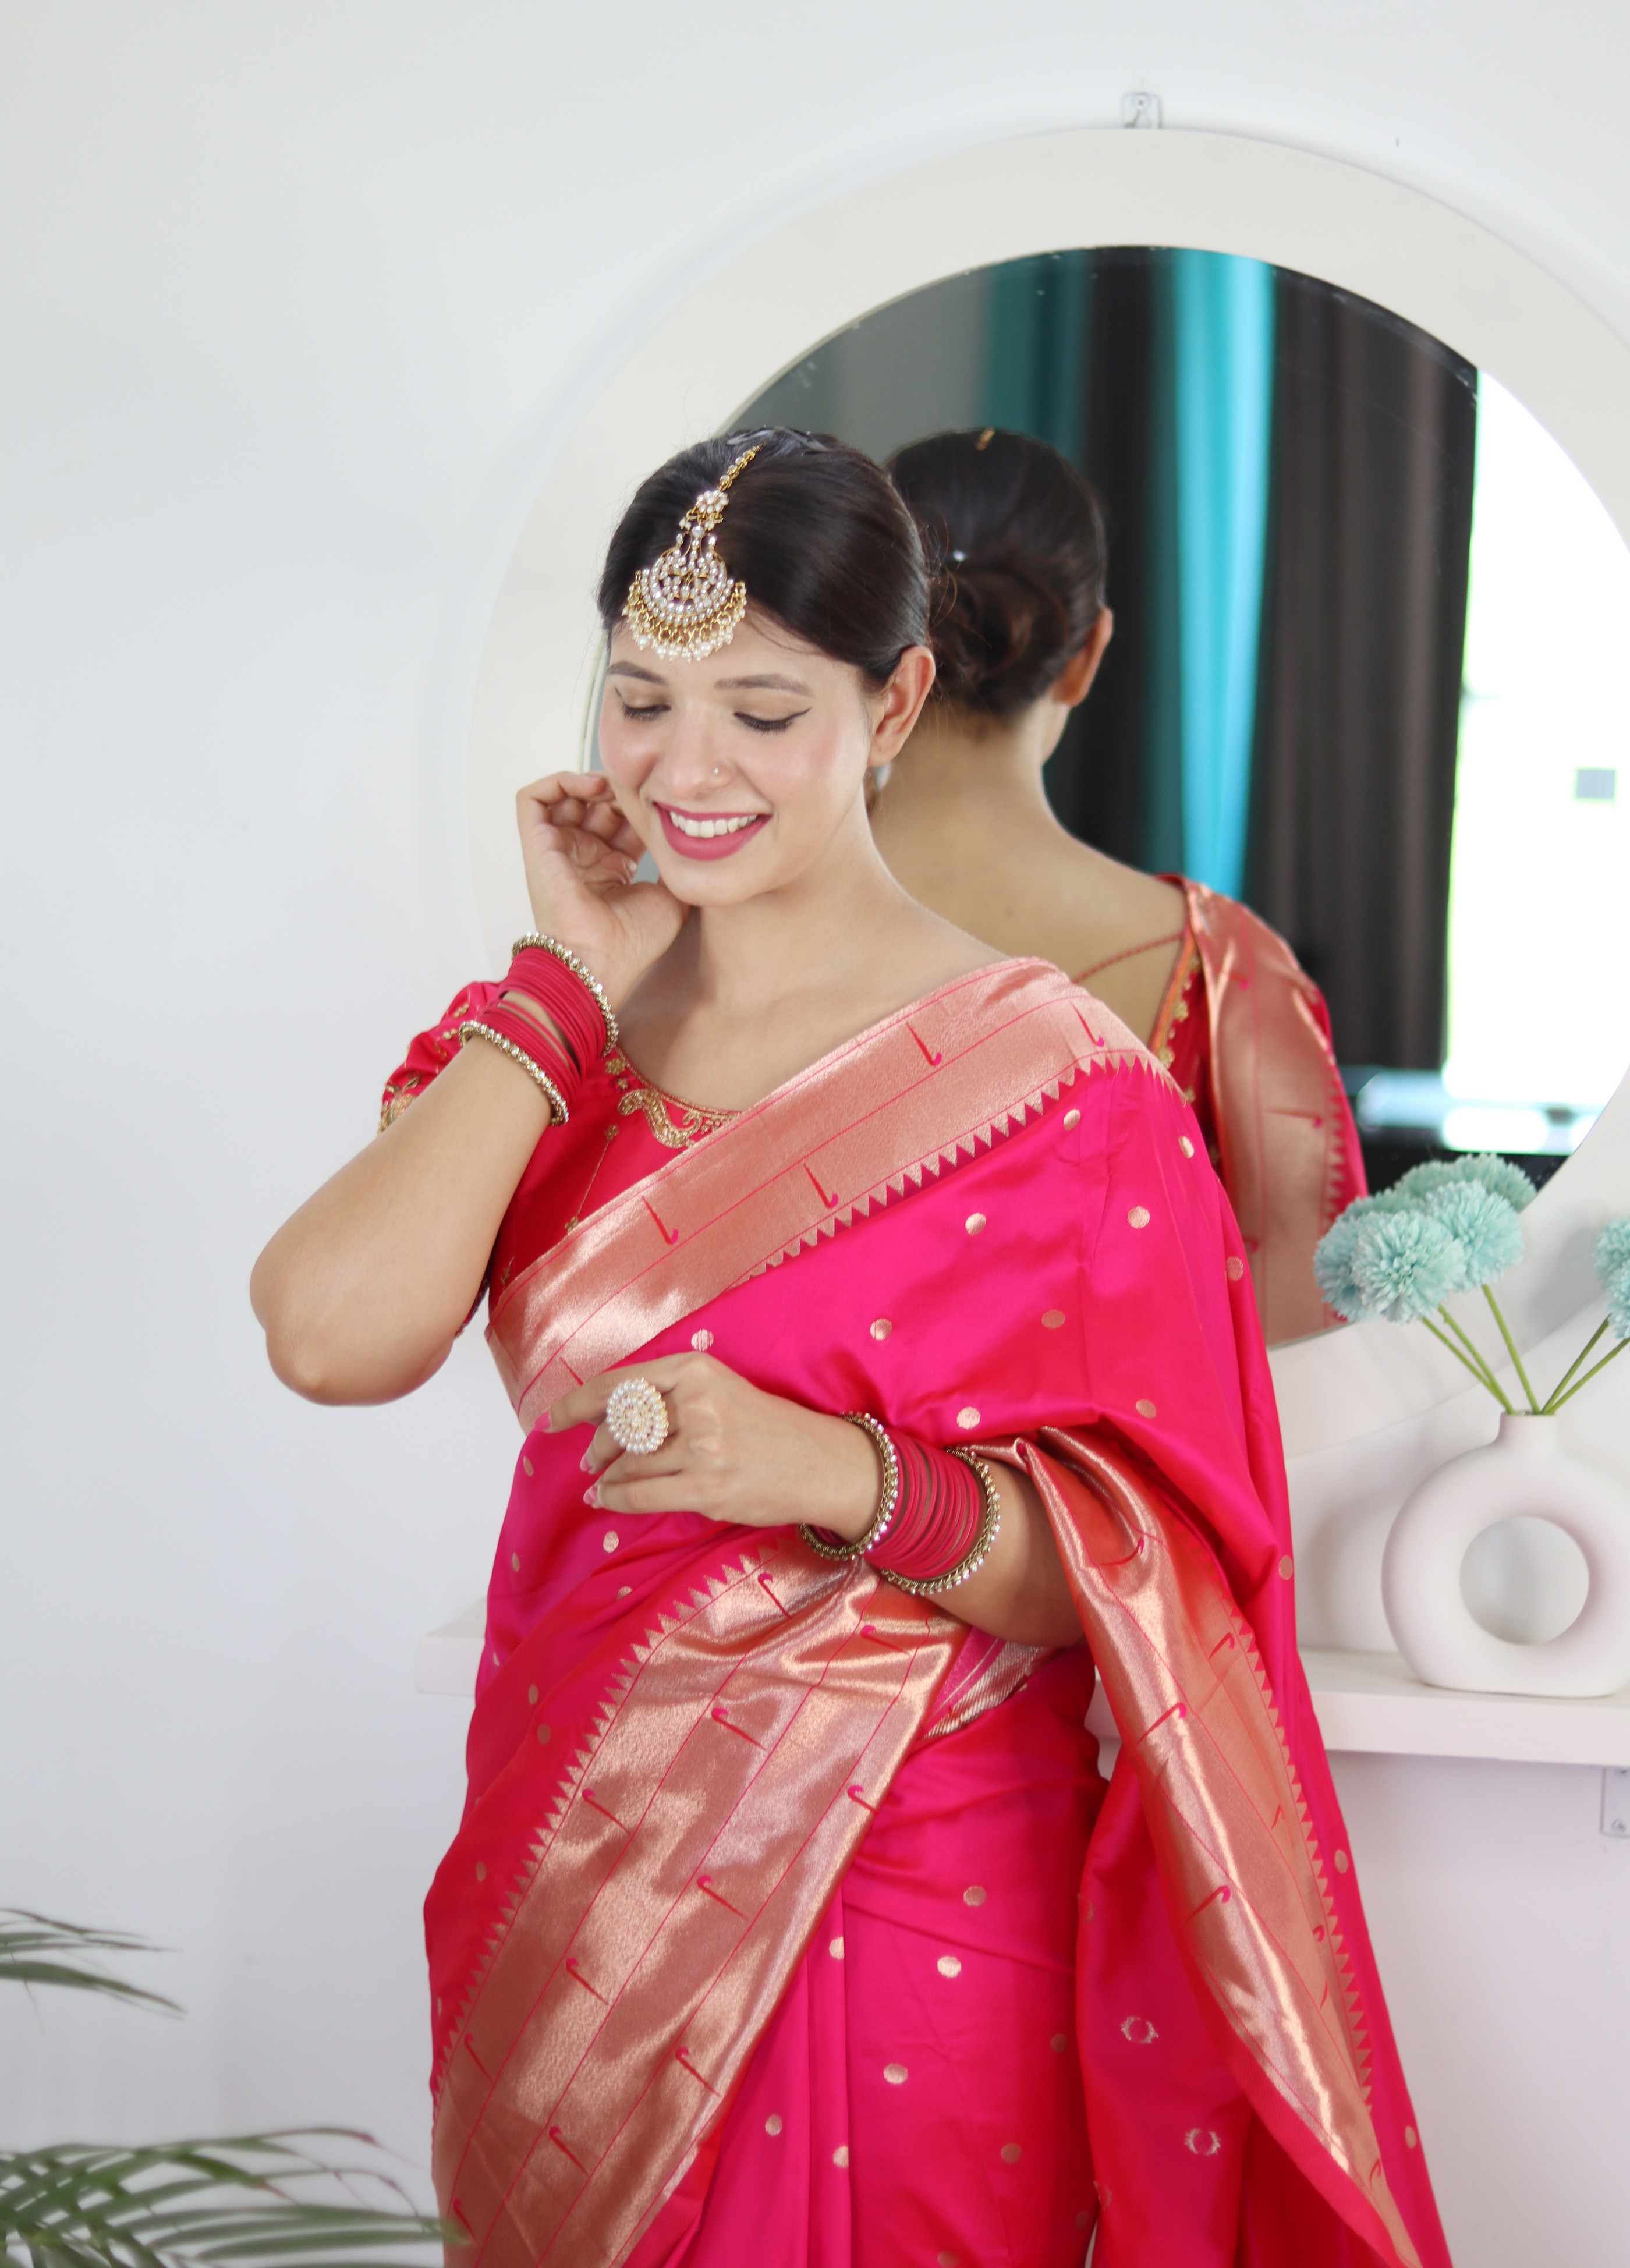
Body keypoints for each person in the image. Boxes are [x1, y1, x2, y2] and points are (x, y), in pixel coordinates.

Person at [251, 428, 1445, 2268]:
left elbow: (1156, 1573)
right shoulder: (553, 1034)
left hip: (912, 1883)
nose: (686, 769)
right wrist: (567, 980)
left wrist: (835, 1474)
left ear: (890, 706)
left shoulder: (1063, 1092)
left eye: (761, 711)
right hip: (573, 1861)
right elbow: (326, 1337)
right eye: (640, 701)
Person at [872, 428, 1366, 1345]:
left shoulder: (716, 927)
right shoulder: (1228, 971)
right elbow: (1316, 1342)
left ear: (857, 641)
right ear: (1087, 652)